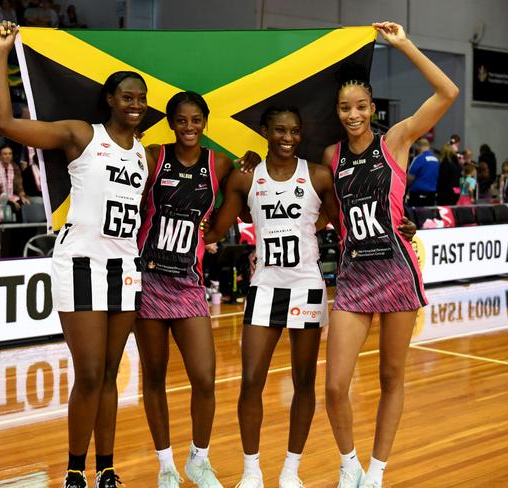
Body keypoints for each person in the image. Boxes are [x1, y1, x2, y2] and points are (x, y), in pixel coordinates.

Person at [0, 20, 150, 488]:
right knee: (87, 373)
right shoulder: (82, 135)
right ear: (110, 100)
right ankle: (74, 470)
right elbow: (3, 123)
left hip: (124, 269)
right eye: (127, 96)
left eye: (141, 98)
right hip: (80, 262)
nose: (136, 104)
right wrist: (2, 53)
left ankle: (106, 468)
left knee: (109, 375)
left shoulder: (144, 152)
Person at [323, 22, 458, 488]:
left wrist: (403, 45)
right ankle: (349, 465)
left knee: (390, 377)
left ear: (372, 108)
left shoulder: (395, 141)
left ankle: (376, 473)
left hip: (398, 273)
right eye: (345, 107)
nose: (353, 114)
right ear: (337, 111)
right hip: (354, 278)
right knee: (335, 385)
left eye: (361, 106)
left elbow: (448, 91)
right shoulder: (330, 157)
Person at [205, 106, 341, 488]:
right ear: (265, 131)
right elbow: (216, 230)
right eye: (280, 130)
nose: (288, 137)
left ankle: (290, 470)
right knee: (251, 381)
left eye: (295, 131)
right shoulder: (246, 178)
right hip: (265, 287)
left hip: (306, 286)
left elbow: (342, 220)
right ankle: (251, 471)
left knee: (304, 383)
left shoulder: (316, 175)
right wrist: (189, 225)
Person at [136, 91, 258, 488]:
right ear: (172, 123)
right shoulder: (153, 155)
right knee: (153, 378)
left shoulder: (217, 162)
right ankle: (165, 465)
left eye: (196, 120)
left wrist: (251, 166)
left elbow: (242, 201)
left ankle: (198, 460)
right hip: (148, 280)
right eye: (182, 120)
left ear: (205, 122)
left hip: (189, 284)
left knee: (204, 378)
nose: (189, 127)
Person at [0, 144, 31, 215]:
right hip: (0, 197)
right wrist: (10, 201)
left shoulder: (15, 167)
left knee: (24, 204)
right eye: (5, 154)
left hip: (13, 196)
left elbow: (18, 184)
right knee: (12, 206)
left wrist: (22, 196)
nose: (8, 156)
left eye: (10, 154)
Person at [406, 138, 438, 206]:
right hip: (432, 194)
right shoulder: (436, 160)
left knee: (414, 215)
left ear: (419, 147)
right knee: (428, 215)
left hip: (418, 193)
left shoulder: (419, 159)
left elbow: (410, 178)